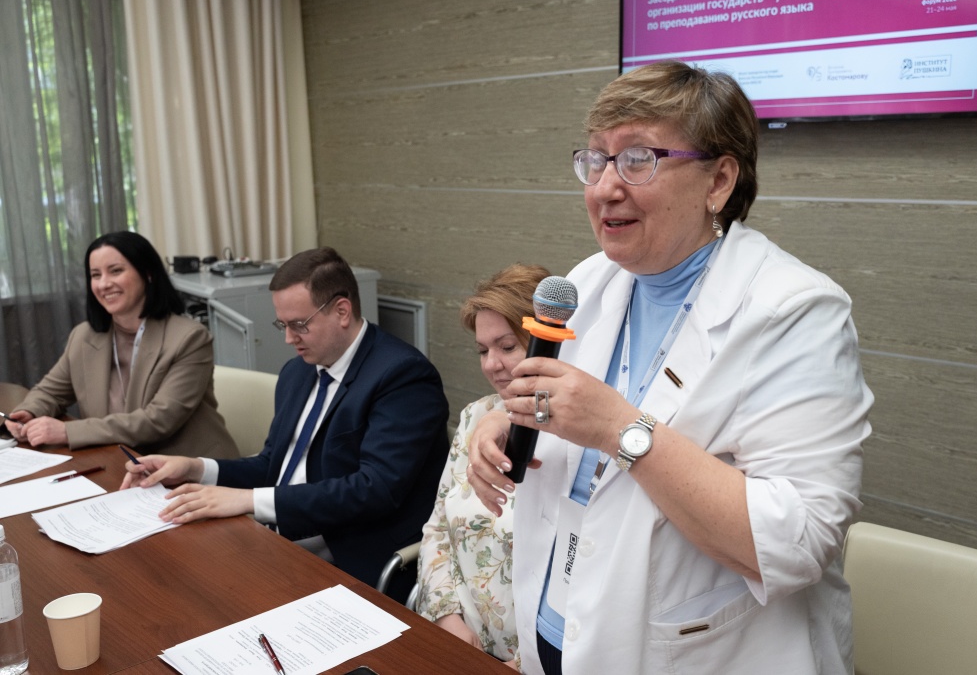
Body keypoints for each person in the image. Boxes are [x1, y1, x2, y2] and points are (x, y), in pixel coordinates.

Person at [466, 61, 874, 674]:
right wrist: (507, 418)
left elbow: (800, 542)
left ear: (719, 181)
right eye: (597, 159)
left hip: (699, 653)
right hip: (559, 629)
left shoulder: (795, 310)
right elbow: (573, 418)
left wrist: (619, 429)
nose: (605, 188)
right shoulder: (590, 281)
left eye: (638, 159)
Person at [121, 247, 450, 601]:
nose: (288, 339)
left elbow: (373, 489)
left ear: (342, 311)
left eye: (299, 325)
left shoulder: (402, 376)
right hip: (281, 541)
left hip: (353, 559)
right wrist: (195, 469)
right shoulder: (298, 372)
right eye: (283, 325)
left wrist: (248, 500)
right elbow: (272, 465)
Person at [417, 263, 550, 667]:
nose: (491, 364)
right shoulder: (476, 416)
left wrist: (525, 663)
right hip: (459, 644)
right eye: (483, 350)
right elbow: (437, 528)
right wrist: (447, 618)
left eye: (507, 347)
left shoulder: (578, 439)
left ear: (548, 345)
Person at [4, 231, 238, 459]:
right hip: (118, 460)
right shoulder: (84, 336)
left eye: (115, 271)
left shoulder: (190, 338)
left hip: (188, 467)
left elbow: (158, 420)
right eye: (95, 275)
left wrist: (68, 431)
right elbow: (50, 392)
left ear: (148, 273)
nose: (104, 284)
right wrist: (29, 411)